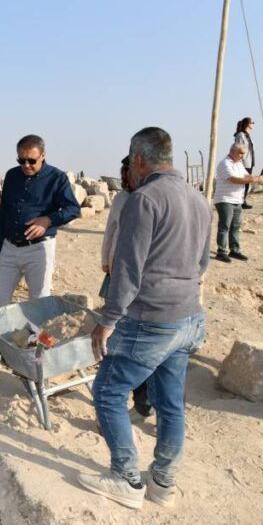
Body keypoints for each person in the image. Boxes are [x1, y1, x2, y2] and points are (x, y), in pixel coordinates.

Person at [80, 127, 210, 510]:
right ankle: (163, 483)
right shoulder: (199, 200)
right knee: (170, 402)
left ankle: (125, 477)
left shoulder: (144, 199)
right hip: (188, 316)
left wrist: (108, 319)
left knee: (107, 391)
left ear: (139, 159)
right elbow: (202, 262)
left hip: (152, 318)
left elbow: (128, 270)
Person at [0, 134, 80, 363]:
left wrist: (48, 220)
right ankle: (5, 350)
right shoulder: (12, 176)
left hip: (39, 250)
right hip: (9, 248)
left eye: (31, 161)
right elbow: (4, 212)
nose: (26, 165)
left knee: (39, 304)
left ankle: (40, 357)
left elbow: (73, 208)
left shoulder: (57, 178)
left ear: (42, 156)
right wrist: (0, 247)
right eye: (21, 160)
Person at [100, 155, 150, 417]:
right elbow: (111, 229)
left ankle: (143, 399)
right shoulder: (122, 198)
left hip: (143, 281)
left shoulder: (151, 200)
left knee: (137, 339)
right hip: (117, 272)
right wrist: (105, 259)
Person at [212, 141, 263, 263]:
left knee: (236, 226)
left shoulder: (239, 163)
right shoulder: (224, 163)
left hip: (237, 199)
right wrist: (253, 179)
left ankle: (234, 250)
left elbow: (246, 177)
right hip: (225, 199)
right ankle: (221, 251)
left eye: (243, 153)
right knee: (225, 225)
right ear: (233, 151)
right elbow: (234, 179)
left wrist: (256, 178)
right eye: (241, 153)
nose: (242, 156)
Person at [234, 117, 256, 209]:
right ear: (248, 124)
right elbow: (238, 149)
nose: (253, 124)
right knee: (243, 183)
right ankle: (240, 201)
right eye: (252, 122)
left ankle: (242, 200)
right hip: (243, 163)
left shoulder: (247, 135)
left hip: (249, 162)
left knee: (247, 183)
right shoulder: (240, 135)